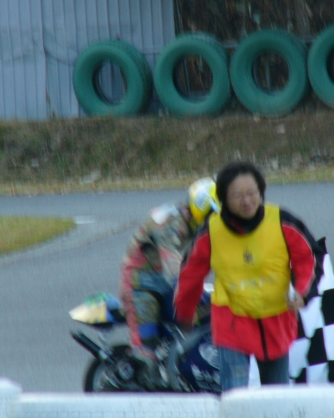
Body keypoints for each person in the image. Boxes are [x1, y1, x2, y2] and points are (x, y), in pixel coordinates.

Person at [174, 160, 321, 392]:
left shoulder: (283, 221)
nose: (246, 201)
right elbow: (190, 276)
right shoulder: (210, 232)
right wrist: (185, 313)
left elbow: (309, 259)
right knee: (237, 398)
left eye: (252, 193)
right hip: (232, 324)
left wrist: (303, 293)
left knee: (277, 398)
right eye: (237, 195)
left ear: (261, 192)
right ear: (223, 199)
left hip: (276, 323)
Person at [118, 176, 220, 388]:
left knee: (201, 313)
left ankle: (186, 363)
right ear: (202, 207)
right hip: (140, 282)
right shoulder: (172, 223)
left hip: (165, 280)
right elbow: (172, 259)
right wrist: (188, 286)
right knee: (146, 346)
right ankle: (147, 371)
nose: (216, 220)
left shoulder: (194, 223)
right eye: (213, 214)